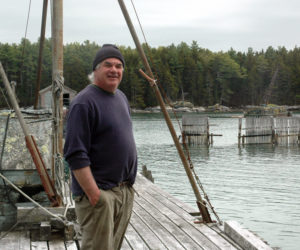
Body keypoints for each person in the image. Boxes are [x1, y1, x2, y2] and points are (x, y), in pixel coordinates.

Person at [64, 44, 137, 250]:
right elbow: (75, 154)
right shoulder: (83, 103)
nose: (114, 70)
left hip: (123, 191)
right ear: (95, 69)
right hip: (100, 195)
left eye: (119, 66)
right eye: (108, 65)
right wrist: (95, 195)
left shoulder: (121, 98)